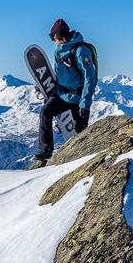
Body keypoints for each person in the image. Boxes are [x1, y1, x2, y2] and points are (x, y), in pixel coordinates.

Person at [35, 18, 97, 162]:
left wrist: (84, 105)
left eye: (52, 37)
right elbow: (60, 76)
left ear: (57, 36)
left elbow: (90, 79)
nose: (52, 40)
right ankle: (45, 151)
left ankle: (84, 161)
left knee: (80, 132)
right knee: (45, 112)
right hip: (62, 95)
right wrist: (44, 85)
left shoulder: (81, 51)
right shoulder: (58, 52)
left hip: (78, 99)